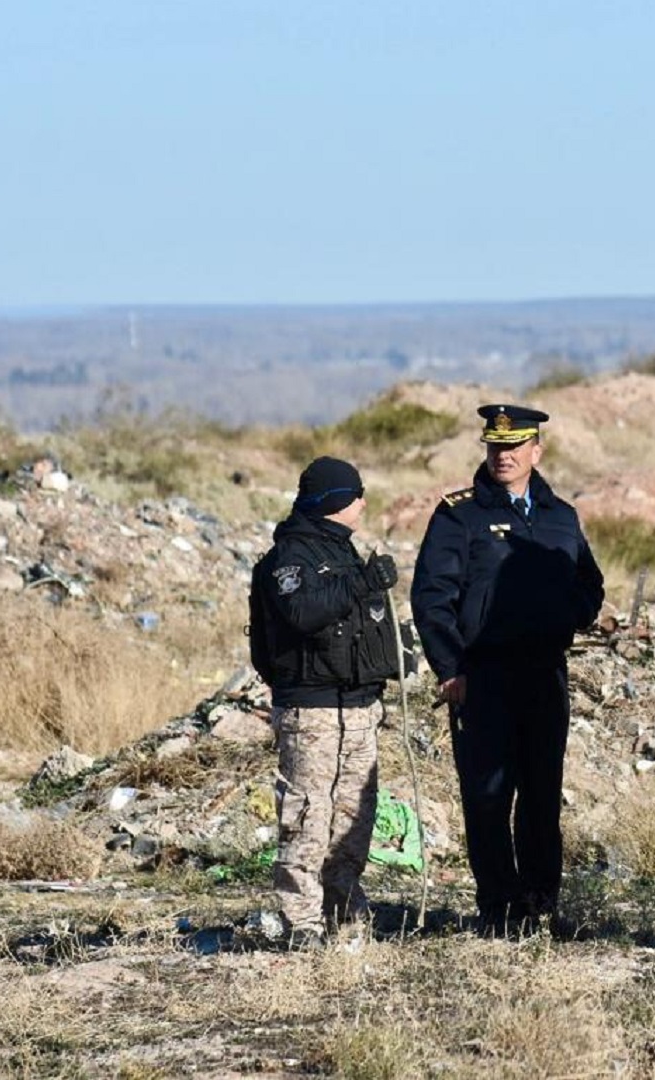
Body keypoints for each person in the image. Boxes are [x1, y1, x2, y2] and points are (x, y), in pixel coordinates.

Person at [412, 403, 604, 935]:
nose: (504, 455)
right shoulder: (460, 514)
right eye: (496, 446)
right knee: (488, 798)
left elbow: (589, 581)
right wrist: (450, 669)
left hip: (544, 674)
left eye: (515, 447)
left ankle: (541, 908)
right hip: (483, 677)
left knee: (542, 796)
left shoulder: (560, 514)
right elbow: (431, 597)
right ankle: (498, 909)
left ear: (535, 451)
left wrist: (569, 615)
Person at [251, 455, 402, 948]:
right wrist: (363, 582)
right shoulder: (289, 557)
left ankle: (344, 913)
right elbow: (303, 612)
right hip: (312, 711)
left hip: (358, 708)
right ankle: (301, 924)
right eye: (356, 494)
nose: (363, 502)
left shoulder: (344, 553)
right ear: (337, 502)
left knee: (352, 819)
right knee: (307, 816)